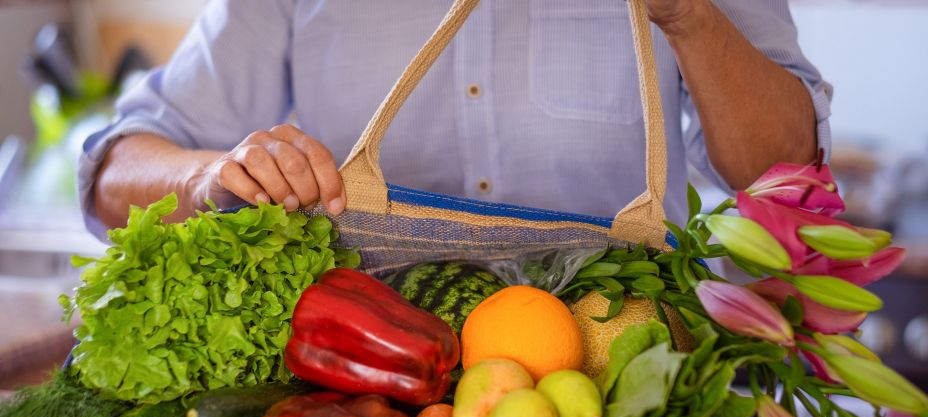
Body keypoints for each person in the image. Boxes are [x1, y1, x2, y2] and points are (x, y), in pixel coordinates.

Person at [78, 0, 831, 240]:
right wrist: (210, 176)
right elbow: (112, 170)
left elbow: (784, 173)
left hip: (631, 393)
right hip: (361, 408)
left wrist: (690, 13)